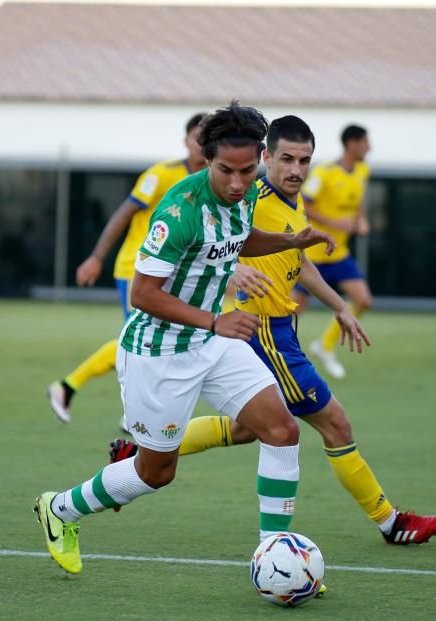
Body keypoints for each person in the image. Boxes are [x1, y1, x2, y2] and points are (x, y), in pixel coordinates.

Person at [34, 102, 338, 574]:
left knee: (282, 429)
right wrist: (216, 322)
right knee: (156, 473)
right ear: (205, 158)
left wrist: (291, 242)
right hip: (159, 354)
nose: (237, 183)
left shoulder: (248, 193)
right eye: (225, 171)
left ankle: (278, 558)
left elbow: (240, 238)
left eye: (246, 170)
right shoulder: (179, 211)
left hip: (210, 343)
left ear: (258, 158)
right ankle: (60, 509)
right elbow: (142, 294)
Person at [109, 116, 436, 546]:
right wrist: (236, 274)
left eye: (304, 160)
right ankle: (390, 521)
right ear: (265, 157)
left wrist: (339, 305)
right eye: (286, 159)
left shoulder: (289, 200)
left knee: (252, 428)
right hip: (263, 331)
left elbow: (296, 258)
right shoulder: (251, 195)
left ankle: (139, 454)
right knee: (334, 424)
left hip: (279, 328)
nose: (296, 170)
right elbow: (219, 246)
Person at [46, 114, 206, 424]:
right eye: (195, 138)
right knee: (138, 337)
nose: (201, 145)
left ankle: (131, 411)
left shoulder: (214, 182)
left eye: (206, 138)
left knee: (161, 340)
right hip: (138, 266)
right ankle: (71, 388)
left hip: (175, 270)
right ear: (185, 140)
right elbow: (124, 213)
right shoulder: (160, 175)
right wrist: (96, 257)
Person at [291, 124, 373, 380]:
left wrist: (361, 219)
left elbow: (357, 200)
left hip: (339, 254)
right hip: (313, 255)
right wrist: (334, 223)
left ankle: (325, 346)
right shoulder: (324, 172)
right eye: (365, 142)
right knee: (292, 312)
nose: (369, 147)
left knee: (363, 300)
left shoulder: (362, 170)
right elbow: (305, 203)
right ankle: (285, 359)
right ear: (352, 144)